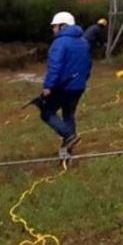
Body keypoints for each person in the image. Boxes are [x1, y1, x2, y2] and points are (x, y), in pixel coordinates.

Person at [40, 11, 93, 159]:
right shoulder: (83, 41)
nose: (53, 29)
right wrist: (82, 80)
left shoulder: (60, 42)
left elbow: (55, 67)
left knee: (47, 112)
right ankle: (67, 150)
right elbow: (88, 65)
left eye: (55, 26)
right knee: (68, 114)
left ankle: (70, 136)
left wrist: (48, 86)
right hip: (78, 87)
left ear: (63, 26)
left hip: (63, 87)